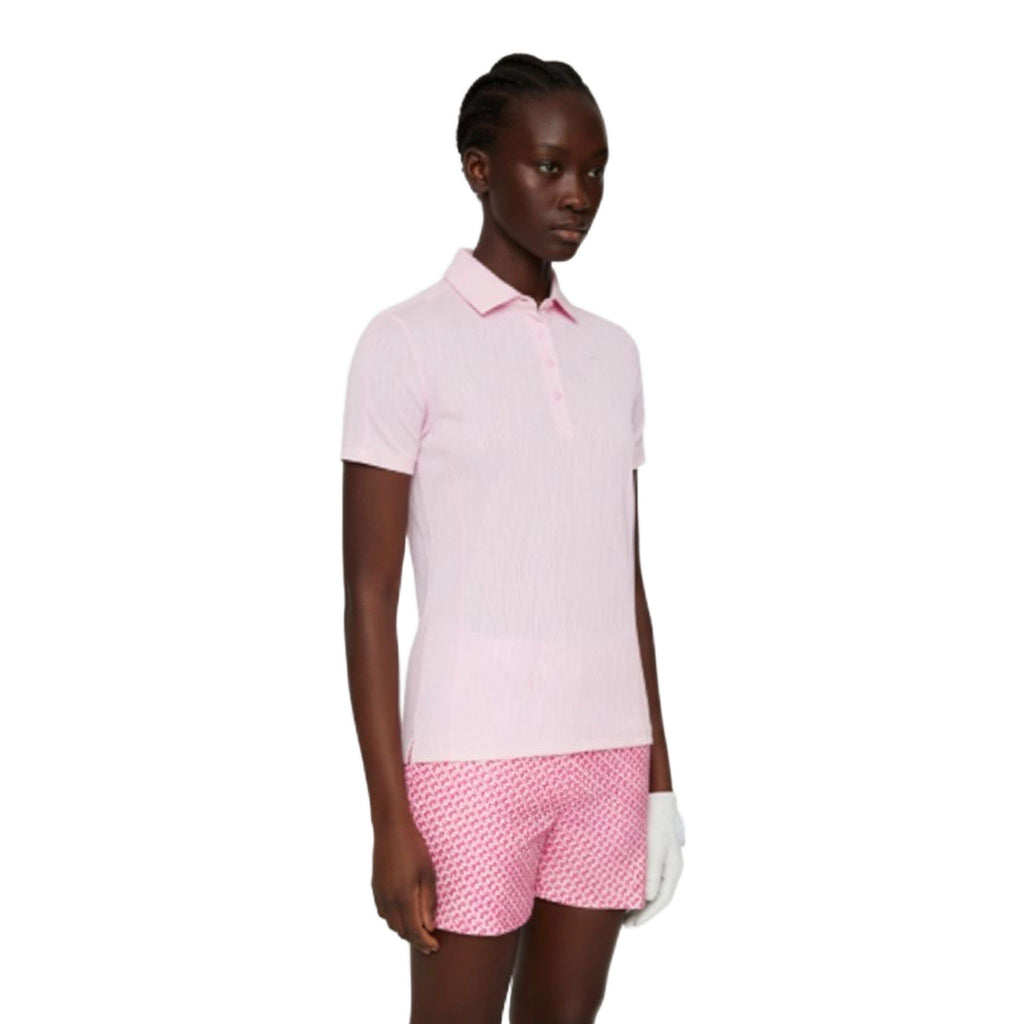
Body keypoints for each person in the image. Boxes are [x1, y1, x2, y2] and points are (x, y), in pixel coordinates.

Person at [340, 52, 686, 1023]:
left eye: (595, 169)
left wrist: (658, 779)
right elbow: (367, 596)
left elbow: (623, 578)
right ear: (479, 169)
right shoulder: (404, 342)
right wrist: (389, 817)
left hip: (607, 756)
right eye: (550, 166)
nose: (579, 193)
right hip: (470, 763)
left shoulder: (613, 353)